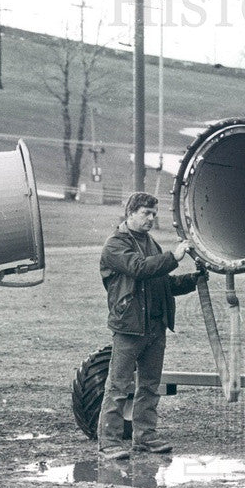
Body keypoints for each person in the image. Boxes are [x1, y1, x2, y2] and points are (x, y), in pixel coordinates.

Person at [97, 192, 205, 460]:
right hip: (129, 326)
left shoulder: (151, 244)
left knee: (149, 386)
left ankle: (145, 438)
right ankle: (108, 443)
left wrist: (194, 279)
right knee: (119, 386)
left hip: (155, 326)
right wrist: (175, 257)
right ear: (130, 212)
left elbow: (161, 283)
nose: (151, 218)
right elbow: (139, 268)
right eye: (146, 213)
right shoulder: (115, 245)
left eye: (154, 213)